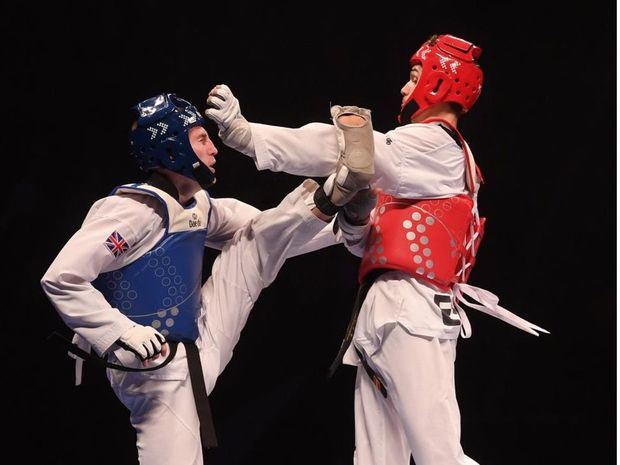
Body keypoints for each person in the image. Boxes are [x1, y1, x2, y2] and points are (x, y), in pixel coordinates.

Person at [205, 34, 548, 465]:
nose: (404, 88)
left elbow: (351, 148)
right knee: (374, 460)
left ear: (441, 82)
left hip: (414, 311)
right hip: (383, 313)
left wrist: (250, 137)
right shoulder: (413, 170)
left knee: (439, 455)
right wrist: (353, 220)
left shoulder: (436, 146)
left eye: (414, 76)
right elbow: (358, 242)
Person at [41, 93, 376, 465]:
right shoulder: (129, 212)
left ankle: (339, 201)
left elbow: (270, 235)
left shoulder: (199, 205)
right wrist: (121, 332)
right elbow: (61, 277)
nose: (213, 148)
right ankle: (336, 200)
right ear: (172, 150)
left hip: (200, 342)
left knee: (256, 240)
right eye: (201, 139)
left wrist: (345, 223)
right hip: (155, 369)